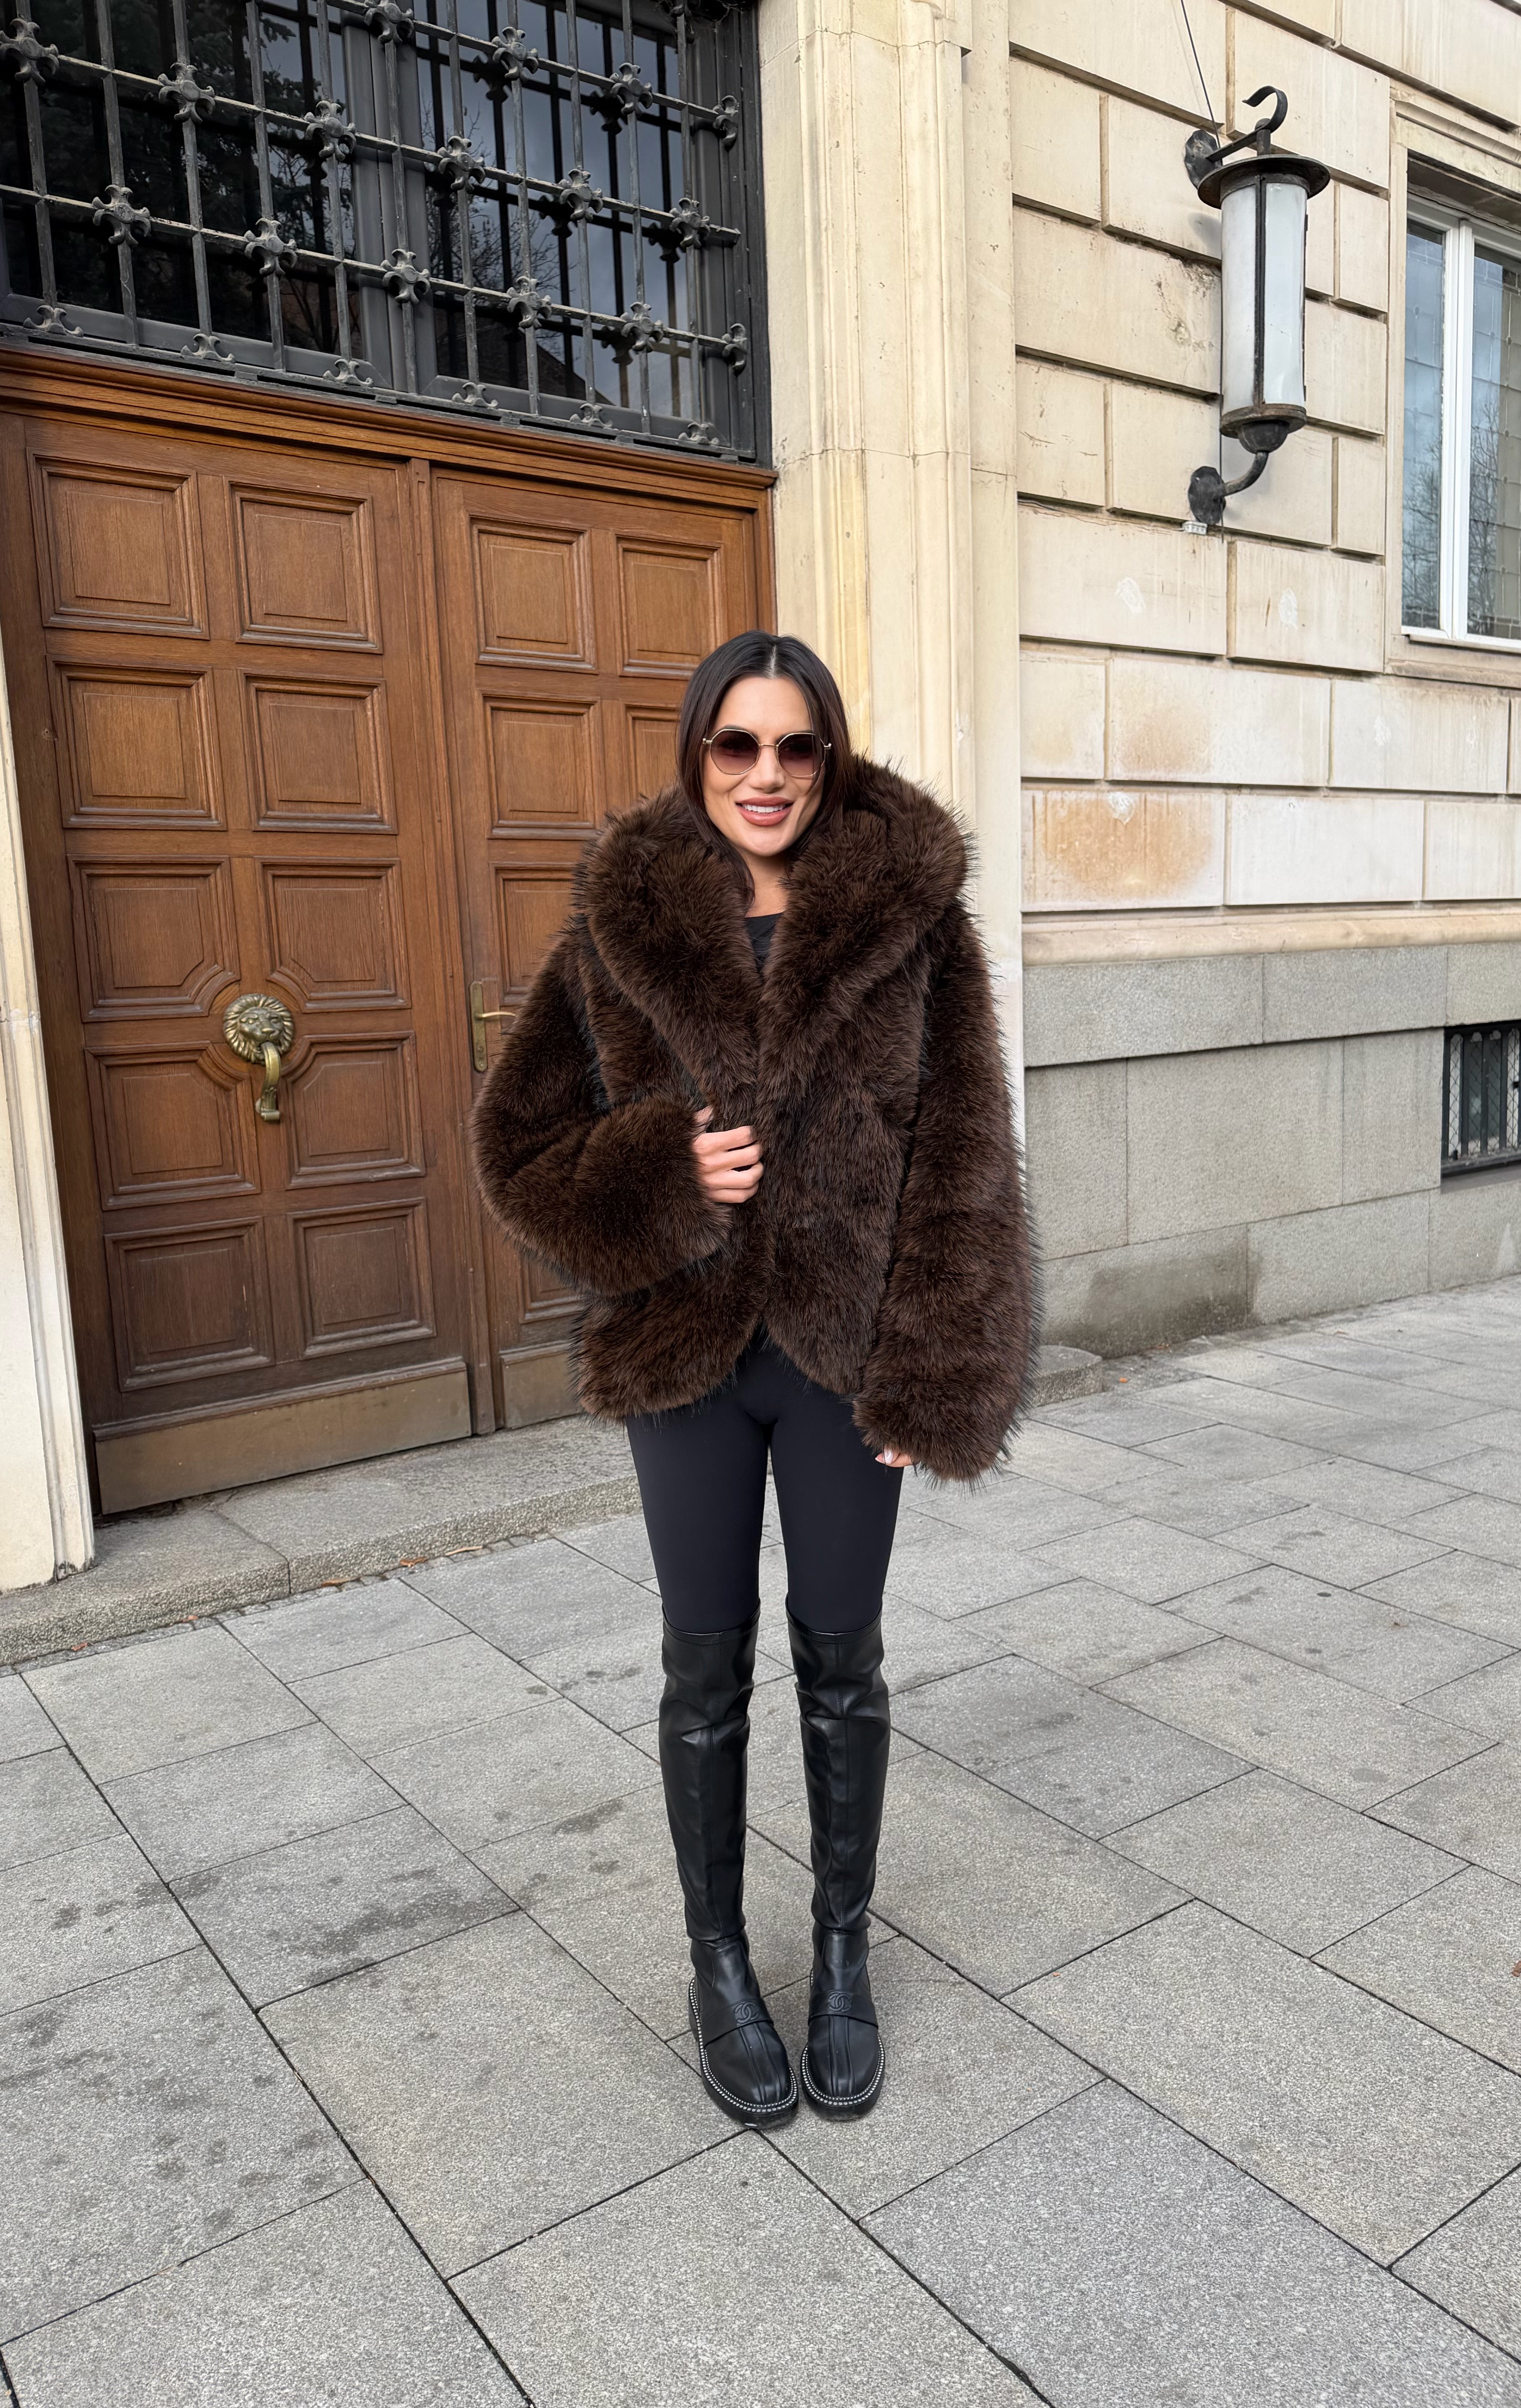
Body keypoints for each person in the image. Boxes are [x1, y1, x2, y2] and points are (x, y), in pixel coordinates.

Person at [471, 630, 1031, 2125]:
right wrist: (663, 1172)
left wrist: (939, 1370)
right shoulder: (618, 929)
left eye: (794, 747)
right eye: (737, 745)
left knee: (842, 1663)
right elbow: (516, 1150)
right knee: (701, 1666)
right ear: (697, 754)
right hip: (687, 1355)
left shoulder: (914, 926)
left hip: (847, 1361)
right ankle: (716, 1965)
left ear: (828, 758)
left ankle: (842, 1955)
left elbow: (965, 1157)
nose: (765, 775)